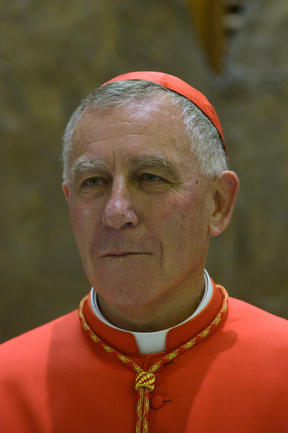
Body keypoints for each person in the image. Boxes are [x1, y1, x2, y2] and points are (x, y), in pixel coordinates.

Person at [0, 71, 287, 433]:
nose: (116, 212)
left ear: (217, 204)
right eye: (94, 182)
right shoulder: (6, 385)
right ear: (70, 203)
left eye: (151, 177)